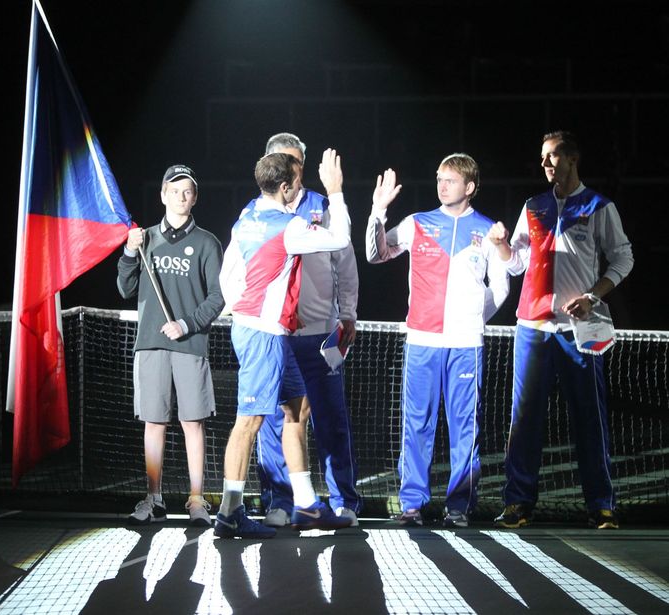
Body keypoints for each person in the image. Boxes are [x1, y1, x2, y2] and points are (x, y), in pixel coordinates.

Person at [488, 130, 634, 530]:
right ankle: (518, 503)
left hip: (579, 330)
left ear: (572, 158)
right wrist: (501, 246)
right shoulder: (533, 206)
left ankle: (601, 505)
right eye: (542, 158)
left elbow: (623, 259)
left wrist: (592, 295)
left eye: (552, 157)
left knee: (590, 417)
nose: (545, 164)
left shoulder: (599, 206)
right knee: (524, 419)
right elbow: (515, 263)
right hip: (532, 327)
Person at [215, 150, 354, 538]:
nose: (300, 186)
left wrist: (243, 312)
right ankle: (229, 513)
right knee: (249, 422)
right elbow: (340, 239)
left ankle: (306, 505)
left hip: (262, 329)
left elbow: (230, 277)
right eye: (296, 179)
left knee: (297, 408)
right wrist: (336, 191)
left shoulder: (244, 221)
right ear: (285, 186)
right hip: (264, 333)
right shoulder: (288, 226)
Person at [366, 153, 509, 528]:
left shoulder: (488, 230)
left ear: (470, 187)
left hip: (466, 345)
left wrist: (473, 319)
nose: (442, 184)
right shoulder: (417, 224)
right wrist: (377, 212)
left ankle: (459, 507)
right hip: (422, 340)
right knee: (416, 423)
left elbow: (503, 286)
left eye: (451, 179)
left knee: (465, 427)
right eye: (439, 178)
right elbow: (376, 254)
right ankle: (412, 504)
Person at [117, 164, 225, 526]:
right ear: (163, 194)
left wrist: (186, 323)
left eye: (188, 191)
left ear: (195, 197)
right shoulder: (143, 239)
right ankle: (153, 498)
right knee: (154, 422)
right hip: (150, 344)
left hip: (191, 344)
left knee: (193, 423)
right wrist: (130, 254)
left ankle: (196, 501)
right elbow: (125, 288)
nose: (181, 196)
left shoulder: (208, 243)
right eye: (175, 190)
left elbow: (218, 297)